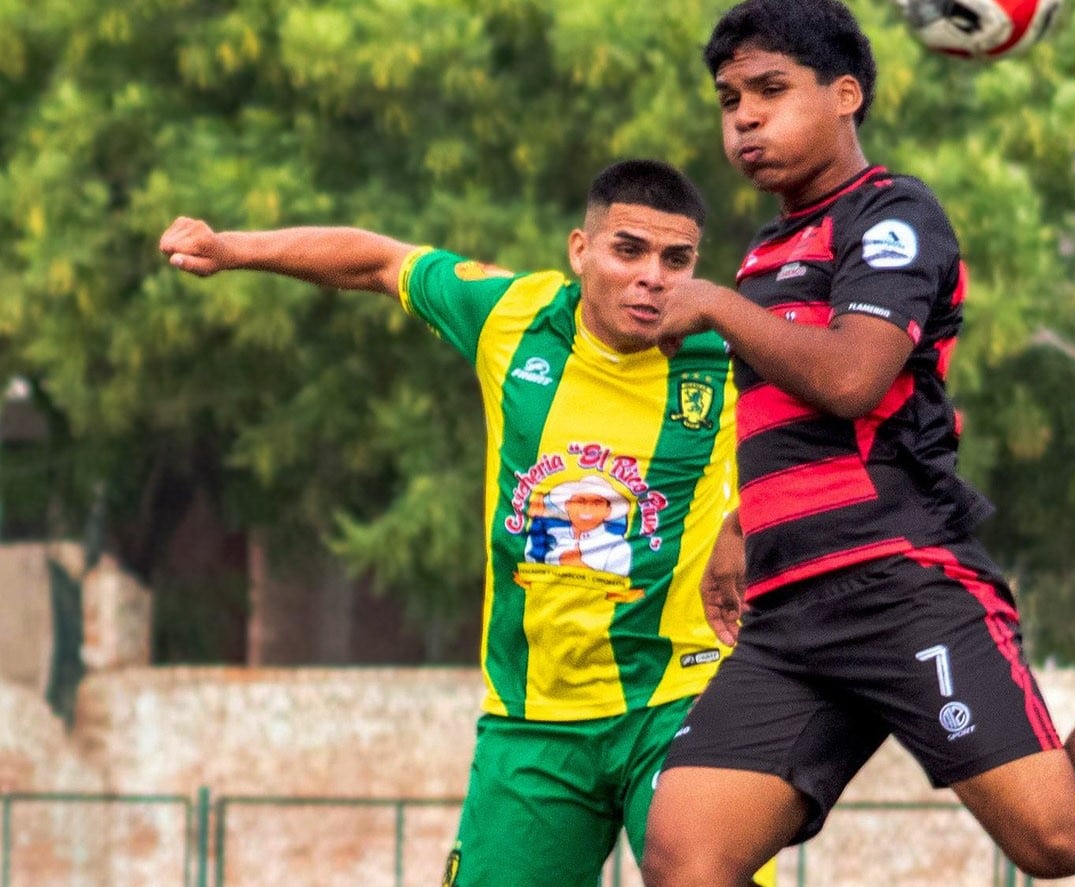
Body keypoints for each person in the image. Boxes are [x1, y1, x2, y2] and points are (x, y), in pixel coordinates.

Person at [636, 0, 1075, 885]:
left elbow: (849, 378)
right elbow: (796, 428)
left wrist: (712, 303)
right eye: (729, 99)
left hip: (897, 582)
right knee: (686, 861)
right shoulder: (764, 252)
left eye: (770, 87)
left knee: (1057, 838)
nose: (746, 115)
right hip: (790, 613)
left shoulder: (893, 216)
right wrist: (742, 526)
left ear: (845, 94)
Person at [159, 159, 773, 887]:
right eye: (629, 249)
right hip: (532, 716)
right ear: (581, 250)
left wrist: (742, 520)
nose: (653, 276)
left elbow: (836, 419)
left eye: (677, 260)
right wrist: (232, 248)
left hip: (682, 698)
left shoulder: (730, 350)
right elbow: (380, 262)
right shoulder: (512, 316)